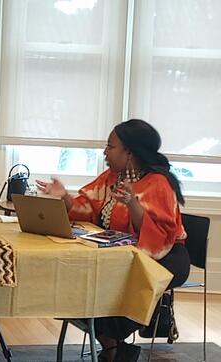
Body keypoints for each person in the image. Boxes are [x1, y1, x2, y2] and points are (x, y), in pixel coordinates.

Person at [36, 119, 190, 362]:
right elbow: (86, 208)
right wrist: (64, 197)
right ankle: (114, 349)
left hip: (164, 257)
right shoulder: (111, 177)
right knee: (79, 281)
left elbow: (158, 235)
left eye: (110, 146)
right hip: (121, 255)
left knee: (110, 289)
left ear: (129, 152)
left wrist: (132, 203)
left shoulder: (158, 184)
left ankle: (113, 347)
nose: (104, 152)